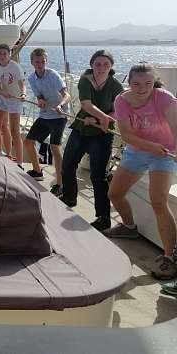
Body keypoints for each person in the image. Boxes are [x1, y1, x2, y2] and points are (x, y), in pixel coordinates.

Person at [106, 64, 177, 279]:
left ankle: (169, 257)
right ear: (129, 83)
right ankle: (129, 227)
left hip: (165, 152)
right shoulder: (121, 100)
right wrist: (151, 147)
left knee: (158, 201)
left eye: (147, 83)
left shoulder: (163, 97)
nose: (142, 88)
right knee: (114, 194)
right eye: (136, 83)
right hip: (138, 150)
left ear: (154, 82)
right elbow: (126, 136)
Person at [61, 50, 124, 231]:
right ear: (92, 65)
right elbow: (86, 104)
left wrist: (100, 120)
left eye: (105, 64)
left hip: (102, 133)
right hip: (82, 129)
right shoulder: (85, 80)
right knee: (68, 164)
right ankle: (69, 197)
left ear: (111, 66)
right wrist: (102, 118)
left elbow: (117, 111)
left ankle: (103, 217)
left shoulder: (116, 86)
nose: (101, 68)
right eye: (97, 64)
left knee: (98, 175)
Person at [24, 48, 70, 196]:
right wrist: (40, 100)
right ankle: (37, 171)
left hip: (59, 115)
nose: (40, 64)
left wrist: (60, 105)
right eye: (37, 62)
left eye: (42, 61)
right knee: (28, 141)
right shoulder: (31, 78)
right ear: (32, 63)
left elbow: (66, 94)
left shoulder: (53, 75)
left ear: (46, 61)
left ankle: (60, 184)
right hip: (45, 115)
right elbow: (39, 96)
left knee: (54, 147)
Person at [0, 43, 26, 165]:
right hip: (2, 98)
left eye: (4, 53)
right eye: (0, 53)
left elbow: (22, 84)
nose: (2, 56)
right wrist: (2, 93)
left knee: (14, 131)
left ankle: (20, 163)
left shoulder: (15, 67)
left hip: (15, 100)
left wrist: (23, 95)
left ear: (9, 54)